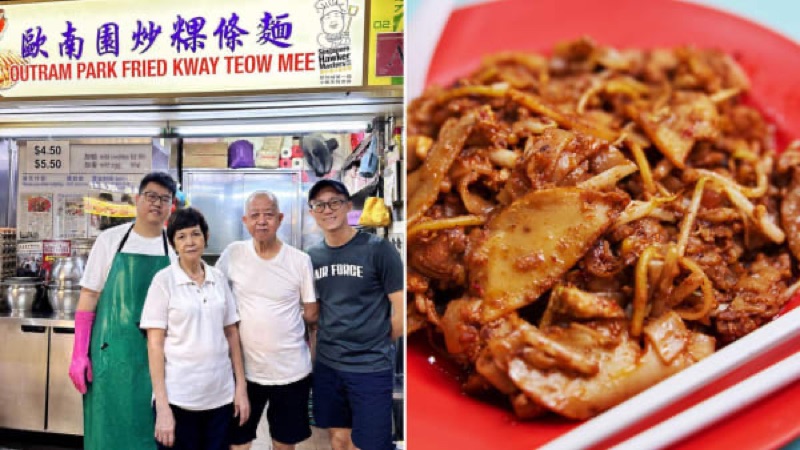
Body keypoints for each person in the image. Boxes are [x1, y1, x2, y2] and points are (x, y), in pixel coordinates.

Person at [68, 171, 177, 450]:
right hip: (110, 356)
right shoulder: (110, 240)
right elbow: (89, 296)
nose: (157, 203)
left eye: (164, 198)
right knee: (107, 431)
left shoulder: (173, 247)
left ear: (171, 206)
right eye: (151, 196)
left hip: (158, 359)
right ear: (138, 199)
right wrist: (79, 353)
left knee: (150, 432)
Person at [305, 180, 403, 450]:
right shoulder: (312, 257)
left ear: (348, 207)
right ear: (312, 212)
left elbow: (401, 309)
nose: (328, 210)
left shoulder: (378, 250)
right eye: (319, 205)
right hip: (329, 365)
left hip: (370, 368)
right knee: (338, 439)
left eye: (335, 202)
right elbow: (316, 312)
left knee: (370, 444)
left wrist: (377, 341)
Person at [140, 207, 249, 450]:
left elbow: (231, 333)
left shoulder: (218, 278)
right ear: (173, 244)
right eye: (181, 236)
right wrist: (162, 406)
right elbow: (155, 345)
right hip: (179, 399)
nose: (190, 242)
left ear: (205, 237)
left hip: (221, 398)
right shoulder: (163, 281)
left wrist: (240, 388)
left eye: (195, 234)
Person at [218, 191, 318, 450]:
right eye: (255, 215)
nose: (261, 221)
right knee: (238, 442)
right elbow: (214, 294)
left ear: (280, 218)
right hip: (245, 373)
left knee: (284, 443)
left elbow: (311, 315)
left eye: (268, 215)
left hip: (292, 372)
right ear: (245, 220)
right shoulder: (233, 254)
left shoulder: (300, 260)